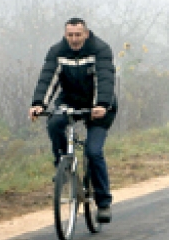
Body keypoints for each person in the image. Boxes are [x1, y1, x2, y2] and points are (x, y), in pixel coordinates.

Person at [29, 17, 118, 223]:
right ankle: (63, 166)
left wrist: (101, 104)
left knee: (93, 152)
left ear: (86, 34)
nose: (74, 39)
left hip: (99, 106)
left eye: (78, 35)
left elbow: (104, 78)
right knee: (54, 123)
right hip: (70, 101)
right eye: (70, 35)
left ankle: (103, 203)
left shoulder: (100, 49)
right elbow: (47, 78)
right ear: (65, 34)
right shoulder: (57, 51)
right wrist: (39, 104)